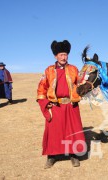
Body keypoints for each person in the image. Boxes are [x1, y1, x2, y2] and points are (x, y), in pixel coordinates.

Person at [37, 40, 86, 168]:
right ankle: (51, 156)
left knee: (72, 131)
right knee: (53, 132)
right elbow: (41, 88)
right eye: (61, 55)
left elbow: (81, 84)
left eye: (65, 54)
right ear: (55, 56)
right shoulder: (48, 71)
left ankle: (73, 155)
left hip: (71, 106)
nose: (63, 57)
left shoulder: (74, 69)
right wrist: (45, 102)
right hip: (55, 106)